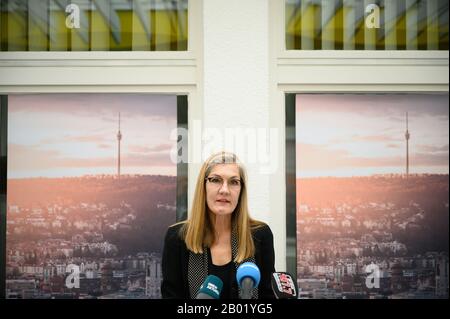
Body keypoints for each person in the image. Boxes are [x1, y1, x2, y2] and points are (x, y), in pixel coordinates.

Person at [161, 151, 275, 299]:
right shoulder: (177, 237)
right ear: (203, 186)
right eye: (216, 180)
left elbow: (268, 296)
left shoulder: (260, 234)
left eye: (234, 182)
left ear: (241, 190)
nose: (224, 190)